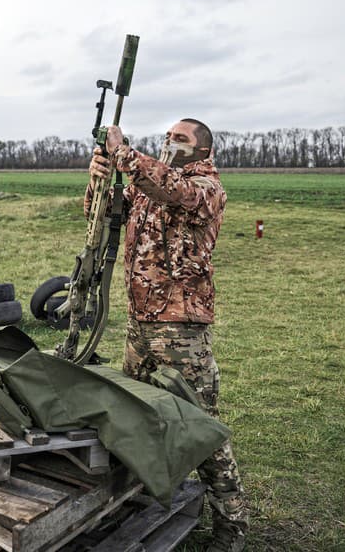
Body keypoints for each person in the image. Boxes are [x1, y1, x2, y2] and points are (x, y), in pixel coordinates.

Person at [86, 119, 248, 552]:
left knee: (200, 429)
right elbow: (100, 215)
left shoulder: (206, 188)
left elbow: (173, 189)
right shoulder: (146, 183)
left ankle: (230, 527)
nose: (169, 143)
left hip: (181, 329)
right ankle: (138, 502)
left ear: (202, 151)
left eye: (181, 139)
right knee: (136, 419)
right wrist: (98, 178)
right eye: (168, 137)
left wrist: (124, 155)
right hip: (140, 325)